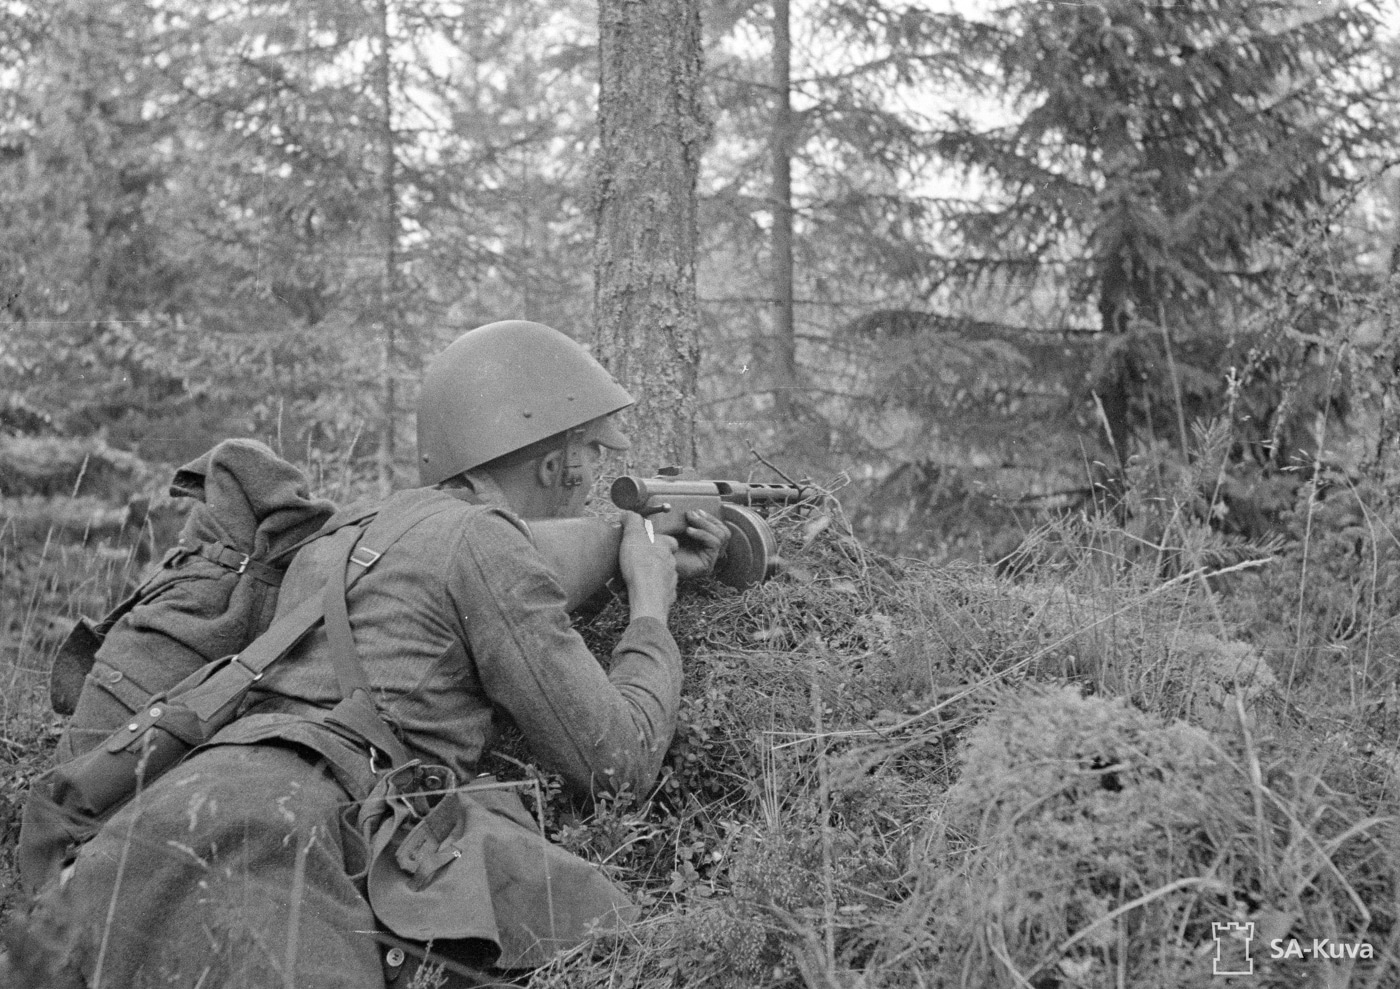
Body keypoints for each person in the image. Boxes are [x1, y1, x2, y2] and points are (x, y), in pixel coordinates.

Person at [15, 320, 728, 988]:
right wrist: (649, 606)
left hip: (148, 823)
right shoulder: (485, 543)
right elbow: (615, 764)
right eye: (590, 456)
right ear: (554, 463)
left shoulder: (345, 533)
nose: (590, 477)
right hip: (272, 843)